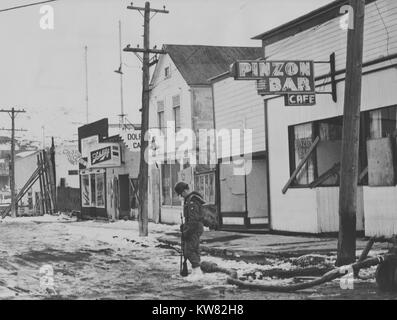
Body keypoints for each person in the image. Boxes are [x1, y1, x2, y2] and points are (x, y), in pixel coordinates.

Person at [174, 181, 205, 281]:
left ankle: (198, 271)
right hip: (194, 227)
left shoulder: (192, 201)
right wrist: (184, 226)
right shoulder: (190, 199)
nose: (181, 196)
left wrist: (187, 231)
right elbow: (190, 219)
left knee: (189, 250)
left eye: (181, 193)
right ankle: (196, 271)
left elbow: (194, 219)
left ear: (185, 191)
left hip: (194, 228)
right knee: (194, 249)